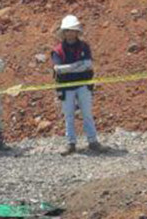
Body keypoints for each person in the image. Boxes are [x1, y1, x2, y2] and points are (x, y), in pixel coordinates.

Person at [52, 15, 103, 156]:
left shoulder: (84, 46)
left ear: (77, 32)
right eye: (68, 30)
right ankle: (71, 143)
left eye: (73, 30)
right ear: (64, 32)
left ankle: (93, 141)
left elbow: (88, 65)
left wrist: (69, 68)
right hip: (66, 87)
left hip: (83, 85)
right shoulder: (58, 50)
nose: (70, 33)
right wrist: (77, 65)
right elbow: (58, 68)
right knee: (69, 116)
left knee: (87, 114)